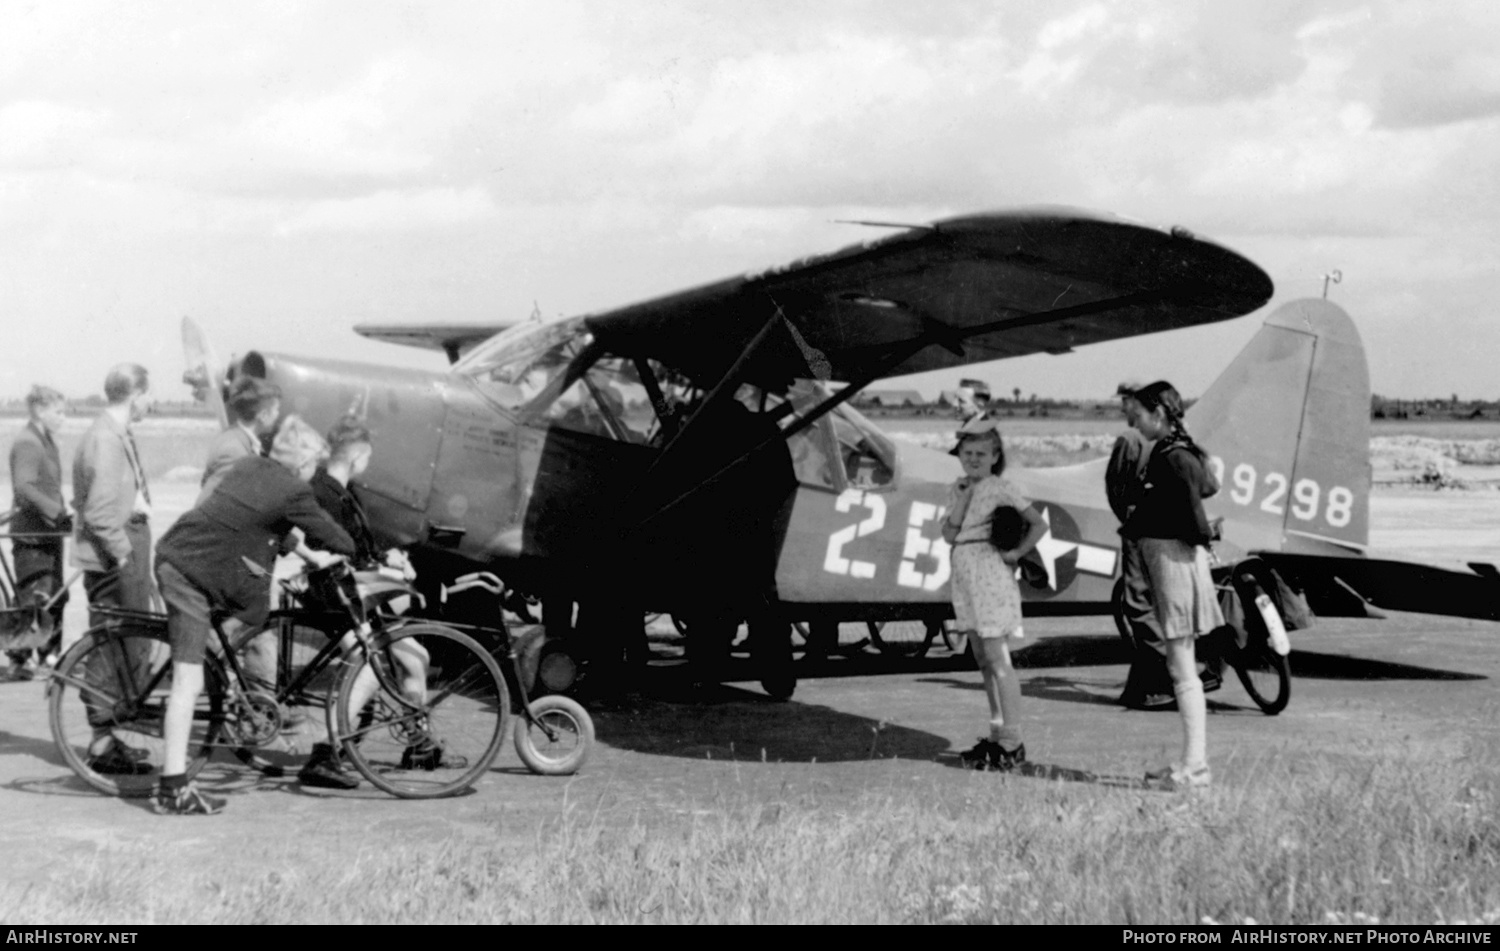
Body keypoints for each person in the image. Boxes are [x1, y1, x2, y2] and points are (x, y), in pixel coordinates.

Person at [152, 415, 355, 815]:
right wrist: (351, 550)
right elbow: (336, 536)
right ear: (303, 462)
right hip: (192, 573)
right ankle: (172, 789)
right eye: (315, 465)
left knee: (250, 610)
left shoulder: (250, 467)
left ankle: (215, 662)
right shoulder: (294, 489)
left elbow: (267, 520)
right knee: (187, 683)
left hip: (191, 558)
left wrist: (310, 557)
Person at [1121, 381, 1224, 790]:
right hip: (1174, 563)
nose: (1135, 421)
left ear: (1158, 415)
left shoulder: (1173, 456)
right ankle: (1190, 761)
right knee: (1180, 666)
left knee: (1182, 668)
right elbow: (1209, 485)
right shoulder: (1179, 450)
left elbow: (1194, 516)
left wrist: (1197, 542)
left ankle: (1194, 767)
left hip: (1175, 565)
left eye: (1141, 415)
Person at [940, 417, 1046, 771]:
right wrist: (965, 494)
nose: (972, 459)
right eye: (967, 452)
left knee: (998, 658)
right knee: (983, 659)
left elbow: (1038, 522)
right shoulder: (958, 487)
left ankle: (1013, 740)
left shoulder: (1001, 487)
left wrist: (1015, 553)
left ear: (995, 454)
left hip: (988, 573)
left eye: (981, 453)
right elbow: (948, 534)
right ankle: (998, 732)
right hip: (965, 575)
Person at [71, 364, 155, 776]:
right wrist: (124, 554)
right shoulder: (105, 439)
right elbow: (99, 512)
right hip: (115, 551)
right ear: (135, 394)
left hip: (125, 543)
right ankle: (102, 743)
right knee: (109, 644)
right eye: (147, 395)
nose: (149, 403)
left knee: (127, 642)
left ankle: (111, 736)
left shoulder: (114, 432)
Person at [196, 377, 284, 694]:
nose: (277, 417)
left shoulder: (237, 441)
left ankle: (247, 706)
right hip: (228, 557)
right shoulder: (235, 451)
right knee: (256, 631)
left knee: (241, 631)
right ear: (263, 414)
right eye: (275, 411)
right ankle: (258, 709)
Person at [1108, 382, 1176, 710]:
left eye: (1126, 401)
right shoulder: (1164, 438)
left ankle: (1172, 666)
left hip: (1138, 526)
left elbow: (1115, 486)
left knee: (1136, 602)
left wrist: (1127, 518)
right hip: (1164, 527)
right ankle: (1141, 688)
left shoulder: (1129, 439)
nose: (1123, 408)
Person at [7, 386, 70, 678]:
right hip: (33, 534)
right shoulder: (29, 442)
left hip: (48, 531)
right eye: (59, 411)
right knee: (34, 596)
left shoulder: (44, 440)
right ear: (40, 410)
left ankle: (47, 656)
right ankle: (19, 659)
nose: (63, 417)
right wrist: (57, 512)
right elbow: (25, 487)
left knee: (55, 594)